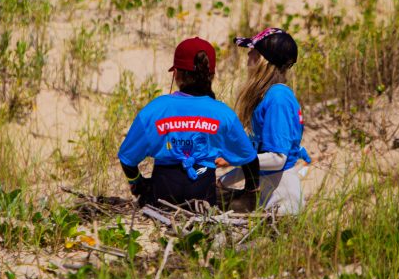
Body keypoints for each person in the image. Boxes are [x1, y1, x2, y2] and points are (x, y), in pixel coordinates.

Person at [118, 37, 260, 207]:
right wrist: (251, 192)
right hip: (203, 198)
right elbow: (249, 159)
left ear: (176, 74)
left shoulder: (156, 109)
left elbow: (127, 158)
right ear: (212, 75)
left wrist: (138, 184)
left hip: (162, 198)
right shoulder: (223, 113)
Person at [217, 28, 311, 214]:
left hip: (284, 199)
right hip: (272, 193)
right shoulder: (270, 96)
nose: (248, 55)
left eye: (253, 50)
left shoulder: (278, 97)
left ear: (264, 60)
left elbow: (277, 159)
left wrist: (233, 158)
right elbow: (255, 160)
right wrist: (224, 180)